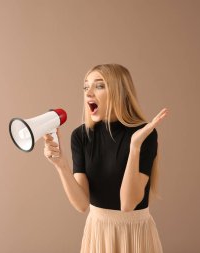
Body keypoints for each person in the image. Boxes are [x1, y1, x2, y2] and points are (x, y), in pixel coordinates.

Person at [43, 63, 168, 253]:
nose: (89, 93)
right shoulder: (81, 136)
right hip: (98, 232)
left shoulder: (145, 135)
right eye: (86, 87)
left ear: (120, 91)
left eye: (99, 86)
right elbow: (81, 204)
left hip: (134, 234)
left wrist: (134, 147)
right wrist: (60, 164)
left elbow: (127, 204)